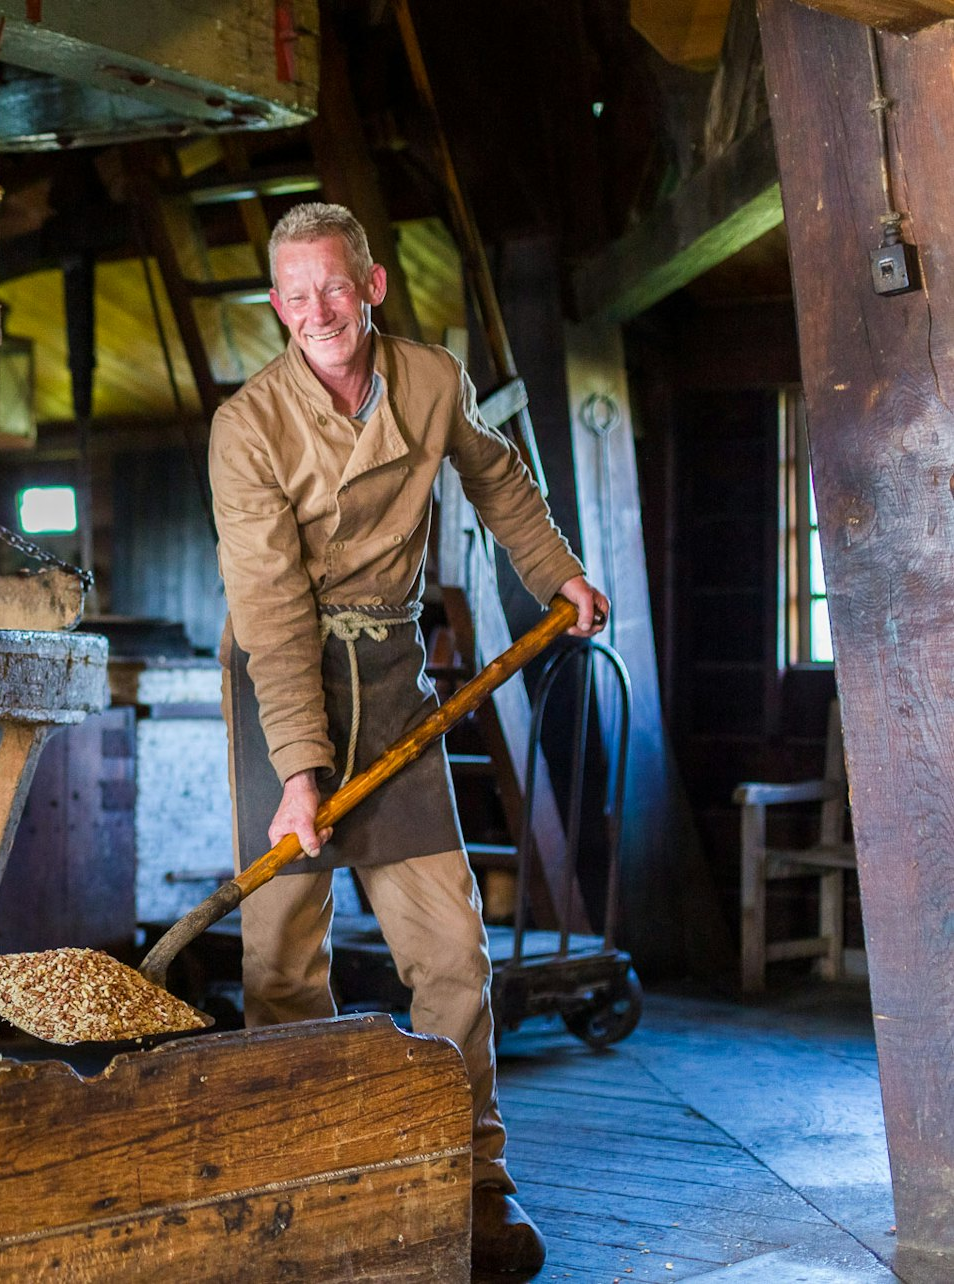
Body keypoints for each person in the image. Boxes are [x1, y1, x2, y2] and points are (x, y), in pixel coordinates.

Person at [208, 202, 608, 1280]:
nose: (316, 312)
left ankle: (473, 1180)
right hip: (279, 684)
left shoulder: (430, 379)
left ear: (371, 285)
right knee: (284, 952)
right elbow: (276, 613)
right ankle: (296, 1182)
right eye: (294, 297)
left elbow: (498, 479)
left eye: (332, 288)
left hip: (392, 673)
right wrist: (300, 775)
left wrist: (556, 573)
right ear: (279, 307)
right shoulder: (247, 428)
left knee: (451, 952)